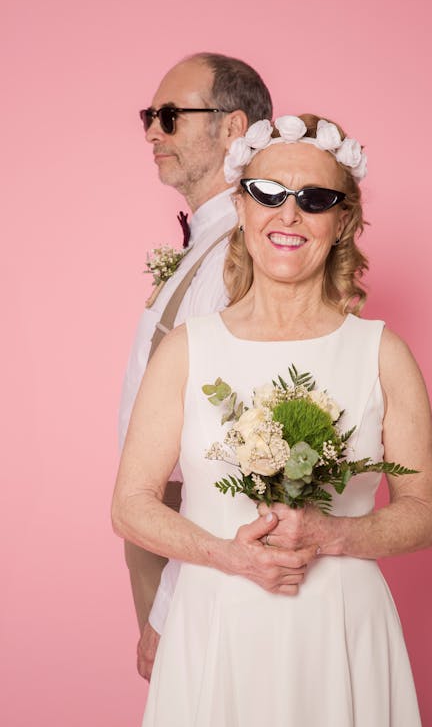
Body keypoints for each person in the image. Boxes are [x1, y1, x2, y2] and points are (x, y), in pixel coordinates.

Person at [112, 114, 432, 725]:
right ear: (241, 206)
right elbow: (130, 505)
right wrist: (226, 555)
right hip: (218, 620)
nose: (288, 216)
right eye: (269, 193)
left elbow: (423, 513)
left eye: (314, 200)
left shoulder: (381, 353)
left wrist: (332, 535)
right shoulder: (188, 349)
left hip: (339, 625)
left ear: (341, 222)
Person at [119, 52, 273, 679]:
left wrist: (166, 608)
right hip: (162, 529)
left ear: (234, 128)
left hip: (197, 547)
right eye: (149, 117)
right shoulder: (207, 244)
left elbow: (244, 456)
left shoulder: (244, 254)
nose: (153, 131)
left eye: (171, 115)